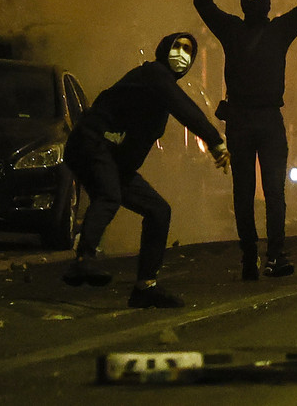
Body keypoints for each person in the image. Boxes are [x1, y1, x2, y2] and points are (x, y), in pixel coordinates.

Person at [62, 32, 230, 308]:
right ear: (163, 49)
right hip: (92, 143)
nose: (182, 55)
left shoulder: (161, 91)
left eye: (188, 50)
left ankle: (145, 287)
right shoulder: (154, 74)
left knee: (158, 211)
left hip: (112, 157)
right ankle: (83, 260)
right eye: (177, 47)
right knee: (109, 196)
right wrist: (215, 142)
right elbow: (185, 108)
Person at [194, 0, 297, 280]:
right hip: (267, 120)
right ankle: (274, 256)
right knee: (274, 193)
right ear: (267, 6)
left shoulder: (231, 30)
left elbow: (202, 4)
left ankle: (250, 258)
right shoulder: (279, 30)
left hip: (240, 122)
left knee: (243, 193)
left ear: (244, 6)